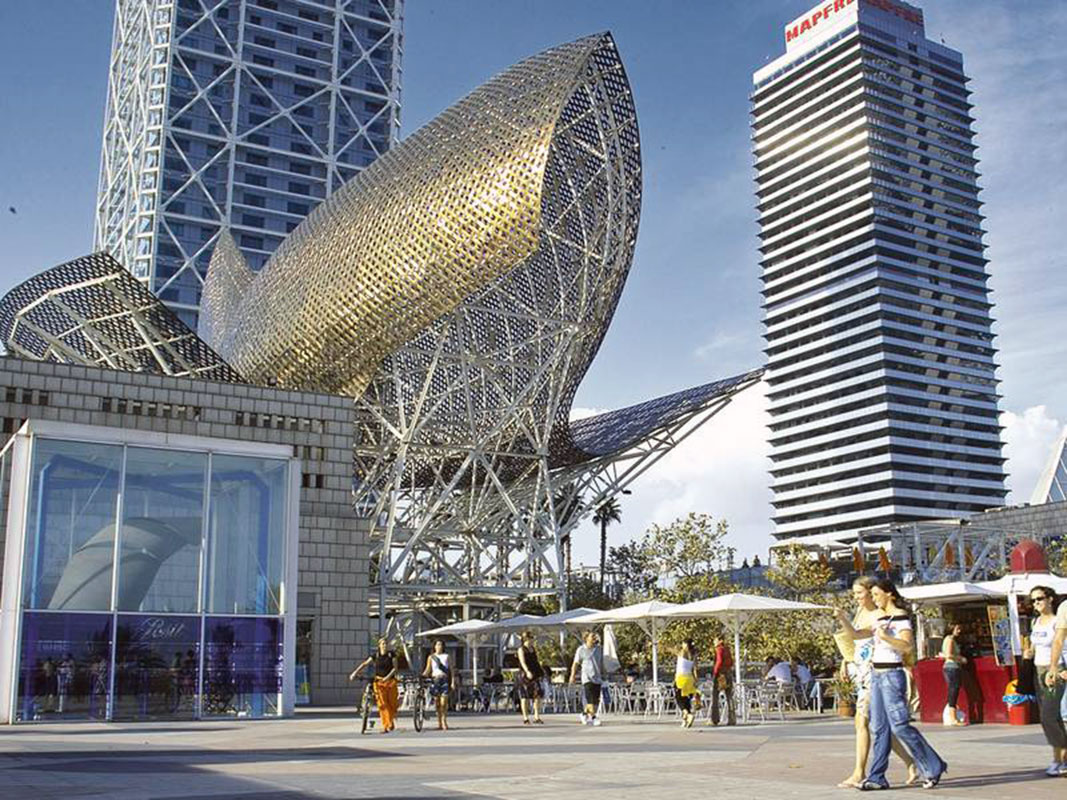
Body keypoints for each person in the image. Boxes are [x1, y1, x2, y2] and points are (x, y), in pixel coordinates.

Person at [861, 578, 946, 790]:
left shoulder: (900, 617)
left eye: (876, 594)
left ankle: (933, 766)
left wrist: (885, 637)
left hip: (891, 675)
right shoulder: (880, 618)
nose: (874, 599)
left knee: (899, 726)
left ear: (889, 593)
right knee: (878, 728)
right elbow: (857, 634)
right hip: (877, 674)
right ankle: (876, 777)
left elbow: (906, 646)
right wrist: (843, 619)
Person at [835, 576, 918, 789]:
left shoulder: (881, 615)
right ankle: (911, 761)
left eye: (860, 593)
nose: (857, 597)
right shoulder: (861, 612)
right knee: (879, 726)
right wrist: (846, 660)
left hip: (876, 672)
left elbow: (893, 643)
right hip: (861, 671)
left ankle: (859, 772)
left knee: (863, 722)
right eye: (854, 593)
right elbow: (855, 639)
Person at [1030, 587, 1067, 776]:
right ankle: (1062, 758)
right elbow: (1034, 646)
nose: (1036, 603)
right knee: (1054, 717)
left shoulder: (1057, 620)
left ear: (1050, 599)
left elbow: (1061, 644)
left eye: (1039, 598)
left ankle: (1059, 759)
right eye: (1033, 600)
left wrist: (1059, 669)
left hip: (1055, 669)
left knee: (1048, 717)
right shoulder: (1035, 621)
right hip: (1038, 670)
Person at [349, 638, 399, 733]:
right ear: (379, 645)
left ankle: (390, 721)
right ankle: (386, 726)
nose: (384, 645)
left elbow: (395, 669)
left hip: (390, 682)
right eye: (383, 644)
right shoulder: (376, 655)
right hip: (379, 682)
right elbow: (364, 664)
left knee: (392, 703)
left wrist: (387, 677)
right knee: (382, 704)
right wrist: (355, 672)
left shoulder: (392, 655)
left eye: (386, 643)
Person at [570, 631, 604, 726]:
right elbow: (575, 663)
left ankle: (584, 714)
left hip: (597, 678)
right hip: (587, 678)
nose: (594, 638)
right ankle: (594, 718)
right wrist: (572, 675)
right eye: (592, 636)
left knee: (595, 702)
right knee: (590, 700)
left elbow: (602, 663)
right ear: (586, 638)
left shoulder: (599, 649)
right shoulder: (581, 650)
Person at [422, 639, 454, 731]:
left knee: (444, 702)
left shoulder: (447, 656)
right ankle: (439, 721)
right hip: (435, 680)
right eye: (437, 645)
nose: (439, 646)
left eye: (440, 644)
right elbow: (428, 669)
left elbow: (451, 670)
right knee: (437, 703)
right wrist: (423, 675)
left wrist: (452, 682)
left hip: (444, 679)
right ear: (434, 646)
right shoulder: (431, 657)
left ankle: (444, 720)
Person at [940, 623, 967, 726]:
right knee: (953, 691)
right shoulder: (950, 639)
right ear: (951, 629)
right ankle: (953, 717)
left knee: (953, 690)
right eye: (957, 629)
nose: (959, 631)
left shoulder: (949, 639)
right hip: (952, 667)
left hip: (951, 667)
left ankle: (952, 715)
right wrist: (961, 659)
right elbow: (949, 655)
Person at [517, 631, 545, 725]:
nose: (532, 640)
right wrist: (527, 671)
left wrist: (541, 672)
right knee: (525, 696)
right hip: (525, 675)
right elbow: (522, 662)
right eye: (531, 638)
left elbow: (536, 661)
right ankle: (525, 717)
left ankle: (537, 716)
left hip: (535, 673)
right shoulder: (521, 649)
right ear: (526, 639)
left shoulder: (533, 649)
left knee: (537, 694)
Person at [674, 639, 700, 728]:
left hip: (681, 679)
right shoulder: (694, 655)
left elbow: (672, 650)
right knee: (686, 699)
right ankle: (685, 719)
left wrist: (662, 646)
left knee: (678, 698)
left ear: (685, 644)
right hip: (690, 679)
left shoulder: (682, 652)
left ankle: (687, 713)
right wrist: (696, 680)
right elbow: (695, 669)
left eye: (683, 643)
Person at [711, 635, 736, 726]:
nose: (714, 642)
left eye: (715, 640)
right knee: (729, 696)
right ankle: (732, 718)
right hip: (728, 673)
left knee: (715, 696)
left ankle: (715, 719)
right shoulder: (727, 649)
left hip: (720, 674)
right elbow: (731, 662)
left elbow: (719, 661)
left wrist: (715, 672)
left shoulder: (719, 649)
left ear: (719, 640)